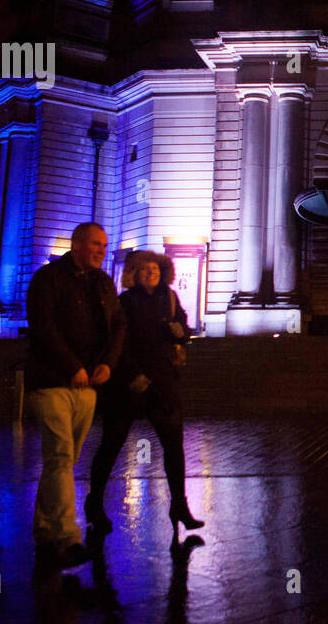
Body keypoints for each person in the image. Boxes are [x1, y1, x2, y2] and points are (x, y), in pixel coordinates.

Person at [25, 222, 125, 568]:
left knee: (61, 462)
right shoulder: (49, 278)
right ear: (77, 244)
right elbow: (43, 326)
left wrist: (108, 365)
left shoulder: (102, 282)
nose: (101, 250)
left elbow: (118, 325)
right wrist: (71, 366)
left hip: (88, 385)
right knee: (61, 455)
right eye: (96, 244)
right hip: (52, 382)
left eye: (104, 245)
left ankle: (43, 528)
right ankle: (68, 537)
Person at [86, 250, 204, 546]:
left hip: (163, 382)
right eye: (144, 268)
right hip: (129, 385)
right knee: (111, 444)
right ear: (133, 273)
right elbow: (117, 343)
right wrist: (131, 375)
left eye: (155, 268)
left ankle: (179, 505)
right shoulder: (125, 302)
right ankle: (94, 501)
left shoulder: (170, 298)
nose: (151, 272)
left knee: (174, 448)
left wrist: (180, 332)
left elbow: (183, 331)